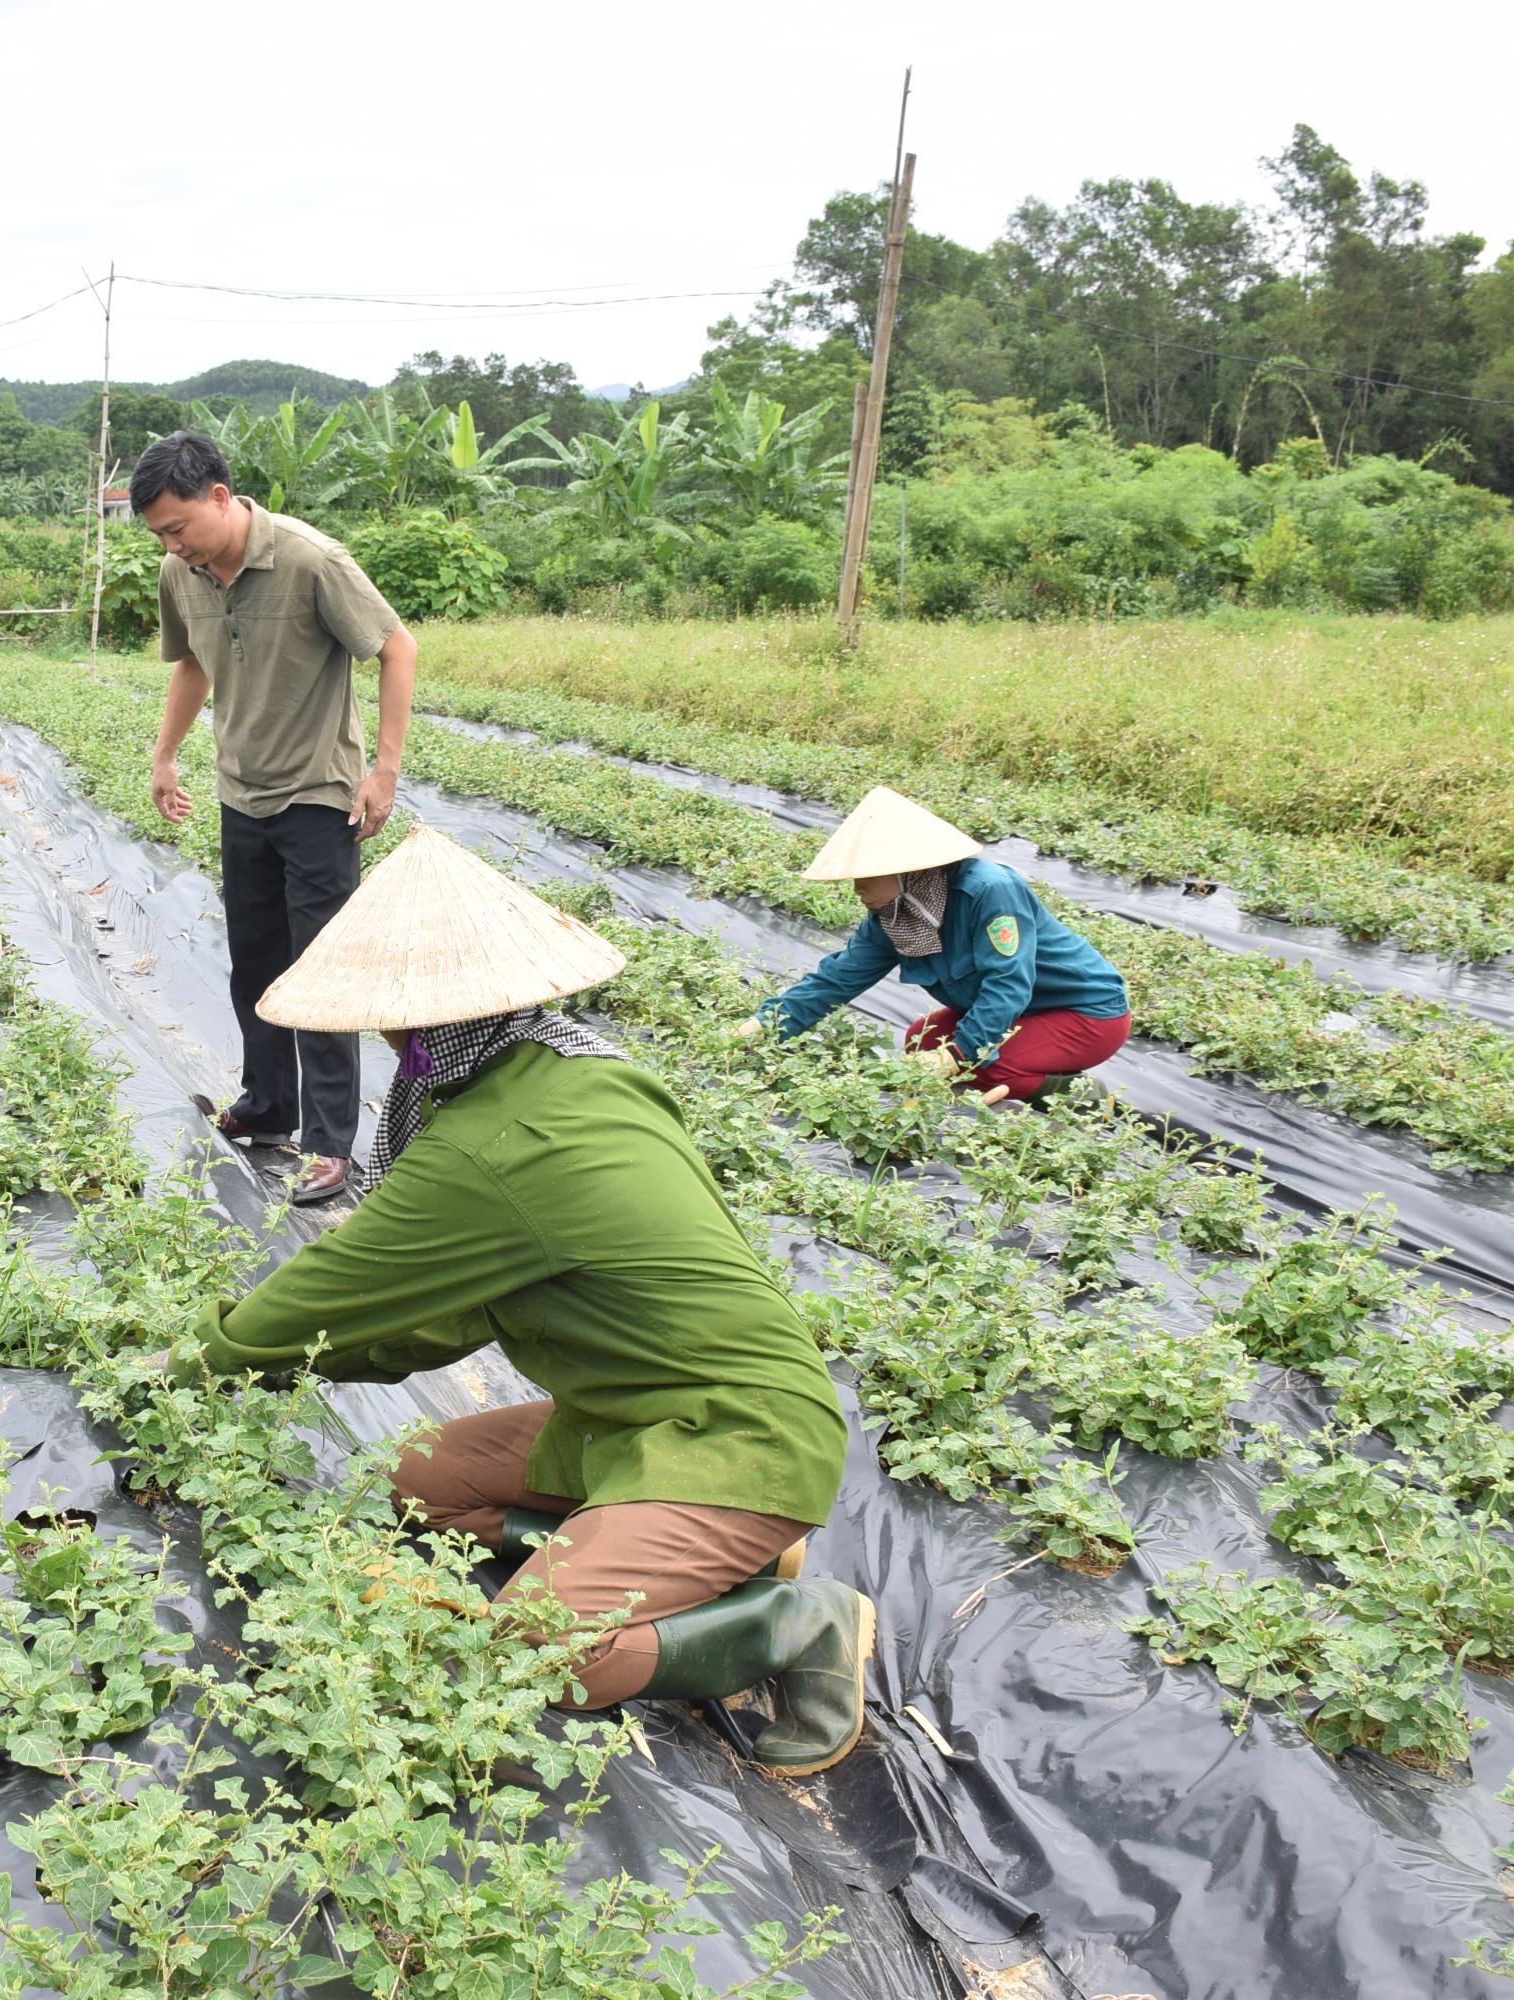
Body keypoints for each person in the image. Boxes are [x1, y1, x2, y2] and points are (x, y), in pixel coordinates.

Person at [183, 825, 872, 1775]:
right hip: (625, 1414)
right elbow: (431, 1317)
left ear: (410, 1016)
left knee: (539, 1652)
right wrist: (332, 1355)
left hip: (738, 1436)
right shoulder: (577, 1068)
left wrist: (197, 1368)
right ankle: (674, 1558)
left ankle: (792, 1623)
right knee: (416, 1482)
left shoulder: (493, 1143)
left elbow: (325, 1300)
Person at [136, 429, 418, 1206]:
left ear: (220, 497)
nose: (171, 544)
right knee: (255, 958)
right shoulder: (180, 573)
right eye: (160, 533)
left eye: (178, 526)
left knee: (323, 969)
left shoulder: (309, 559)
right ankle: (267, 1106)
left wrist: (383, 769)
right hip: (241, 792)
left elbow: (398, 648)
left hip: (318, 795)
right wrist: (166, 757)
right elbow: (192, 662)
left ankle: (330, 1145)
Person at [744, 786, 1131, 1103]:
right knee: (922, 1040)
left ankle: (1083, 1096)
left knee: (982, 1064)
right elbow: (837, 980)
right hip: (1021, 1011)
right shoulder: (893, 912)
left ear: (904, 869)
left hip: (1085, 1012)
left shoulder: (989, 891)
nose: (857, 888)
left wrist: (958, 1056)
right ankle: (1005, 1078)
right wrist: (762, 1026)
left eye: (865, 875)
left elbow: (1008, 984)